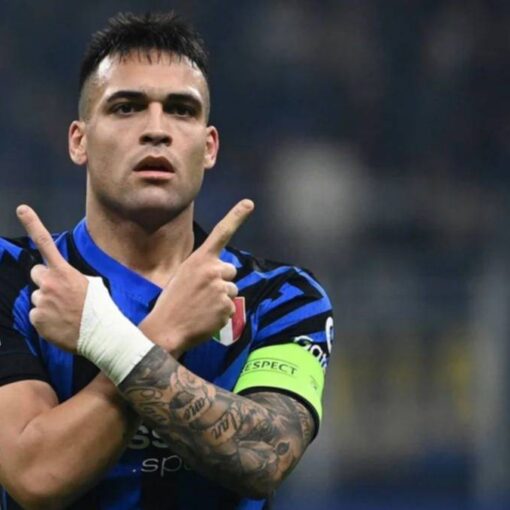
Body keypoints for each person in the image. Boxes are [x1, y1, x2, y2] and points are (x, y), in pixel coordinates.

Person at [0, 12, 333, 510]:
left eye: (180, 110)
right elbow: (35, 475)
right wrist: (166, 332)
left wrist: (103, 337)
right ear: (79, 141)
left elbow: (264, 459)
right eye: (126, 107)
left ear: (209, 147)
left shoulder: (283, 297)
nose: (156, 130)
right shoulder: (14, 278)